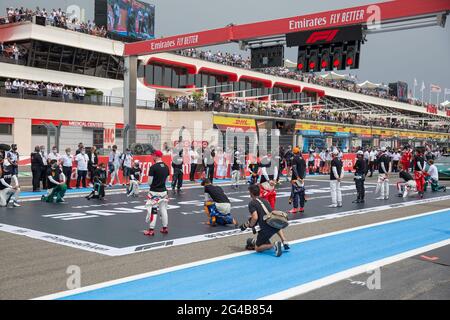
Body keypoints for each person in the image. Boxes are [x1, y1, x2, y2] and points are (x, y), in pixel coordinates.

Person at [240, 184, 289, 257]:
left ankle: (274, 245)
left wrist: (250, 225)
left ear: (251, 193)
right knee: (275, 221)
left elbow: (255, 217)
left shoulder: (252, 203)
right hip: (275, 226)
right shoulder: (265, 200)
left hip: (266, 228)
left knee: (258, 248)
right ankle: (284, 240)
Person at [144, 150, 170, 236]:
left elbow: (149, 182)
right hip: (163, 191)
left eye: (153, 155)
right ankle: (165, 228)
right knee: (163, 210)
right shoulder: (166, 167)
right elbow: (167, 180)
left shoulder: (153, 167)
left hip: (154, 192)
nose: (152, 157)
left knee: (153, 210)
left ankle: (151, 230)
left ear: (156, 156)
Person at [289, 147, 306, 214]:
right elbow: (305, 169)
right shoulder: (302, 159)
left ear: (294, 152)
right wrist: (303, 177)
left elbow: (294, 168)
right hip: (302, 178)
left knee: (295, 193)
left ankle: (295, 208)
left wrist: (297, 177)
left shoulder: (294, 159)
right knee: (302, 193)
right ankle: (302, 207)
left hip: (296, 178)